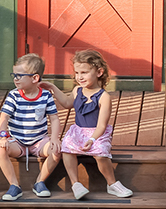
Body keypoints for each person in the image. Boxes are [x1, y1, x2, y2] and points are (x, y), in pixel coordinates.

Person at [40, 49, 133, 199]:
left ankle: (112, 184)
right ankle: (76, 184)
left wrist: (92, 139)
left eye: (84, 72)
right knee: (67, 148)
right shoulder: (77, 90)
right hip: (78, 131)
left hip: (97, 133)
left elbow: (102, 125)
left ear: (99, 72)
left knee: (101, 153)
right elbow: (66, 103)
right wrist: (52, 87)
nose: (79, 77)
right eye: (77, 73)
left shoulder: (104, 97)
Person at [0, 53, 61, 201]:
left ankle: (40, 182)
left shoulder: (45, 96)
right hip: (17, 142)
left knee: (56, 150)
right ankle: (14, 185)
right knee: (0, 150)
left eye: (19, 75)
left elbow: (55, 118)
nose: (15, 78)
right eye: (14, 75)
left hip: (39, 141)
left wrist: (55, 138)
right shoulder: (13, 96)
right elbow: (4, 117)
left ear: (35, 78)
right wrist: (3, 136)